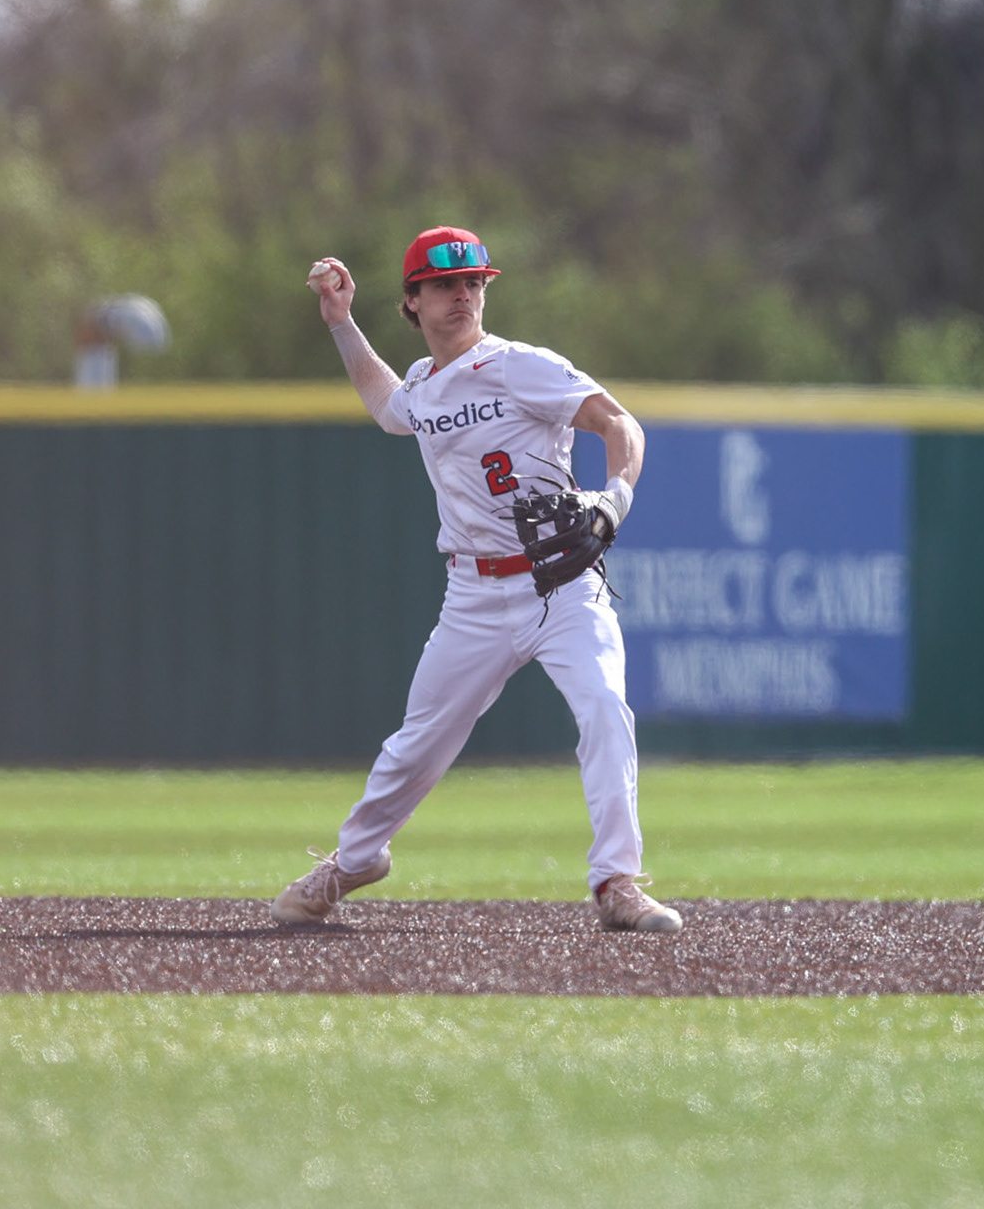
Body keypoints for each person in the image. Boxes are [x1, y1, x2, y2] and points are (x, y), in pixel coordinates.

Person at [270, 226, 681, 933]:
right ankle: (355, 860)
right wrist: (341, 325)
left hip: (561, 583)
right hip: (474, 594)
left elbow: (618, 422)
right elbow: (388, 405)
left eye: (474, 283)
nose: (463, 294)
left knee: (605, 709)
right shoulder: (426, 386)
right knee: (418, 743)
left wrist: (615, 497)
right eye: (445, 285)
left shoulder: (523, 365)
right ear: (414, 301)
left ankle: (617, 881)